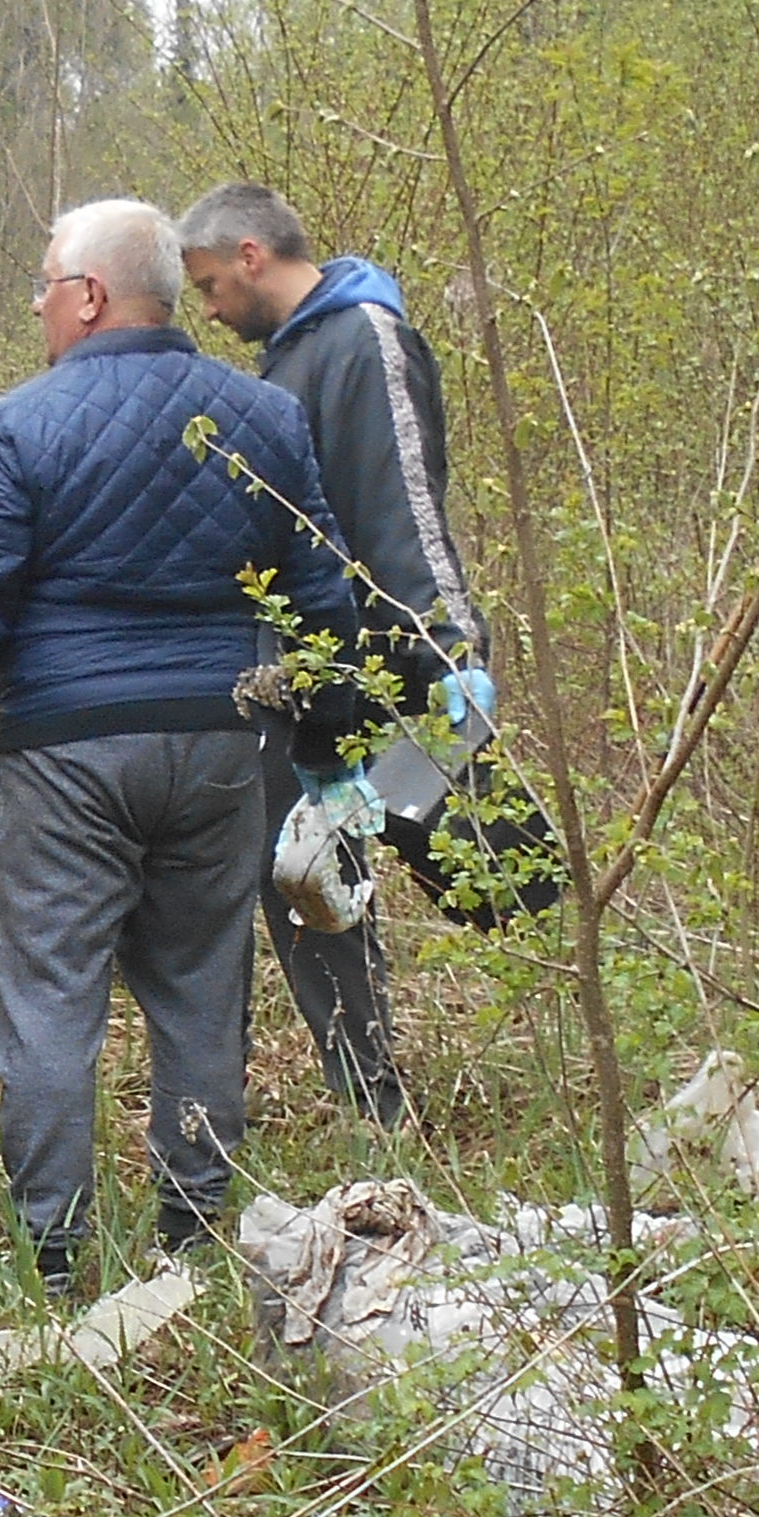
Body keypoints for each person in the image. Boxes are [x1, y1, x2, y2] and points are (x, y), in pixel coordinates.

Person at [0, 201, 347, 1292]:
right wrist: (328, 746)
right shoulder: (261, 418)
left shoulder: (26, 425)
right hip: (221, 747)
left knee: (52, 997)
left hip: (67, 760)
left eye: (41, 285)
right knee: (205, 990)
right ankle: (195, 1234)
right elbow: (325, 598)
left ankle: (57, 1256)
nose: (34, 305)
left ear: (90, 295)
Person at [175, 183, 497, 1130]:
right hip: (296, 668)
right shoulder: (289, 361)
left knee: (390, 871)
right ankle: (335, 1096)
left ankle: (377, 1100)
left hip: (371, 665)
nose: (208, 309)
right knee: (302, 877)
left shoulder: (366, 340)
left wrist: (450, 647)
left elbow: (404, 502)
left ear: (249, 253)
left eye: (207, 286)